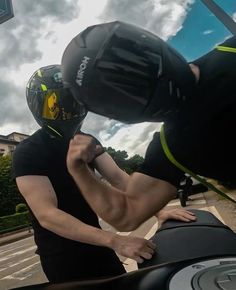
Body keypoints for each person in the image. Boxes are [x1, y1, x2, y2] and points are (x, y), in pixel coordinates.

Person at [12, 65, 195, 283]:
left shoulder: (87, 141)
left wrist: (157, 211)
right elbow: (48, 215)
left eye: (73, 101)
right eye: (56, 105)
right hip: (62, 256)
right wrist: (117, 241)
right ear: (38, 107)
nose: (67, 110)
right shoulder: (28, 152)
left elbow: (118, 177)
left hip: (99, 243)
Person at [61, 21, 236, 231]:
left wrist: (78, 169)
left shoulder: (172, 147)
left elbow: (126, 214)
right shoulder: (229, 52)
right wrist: (78, 169)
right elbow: (127, 213)